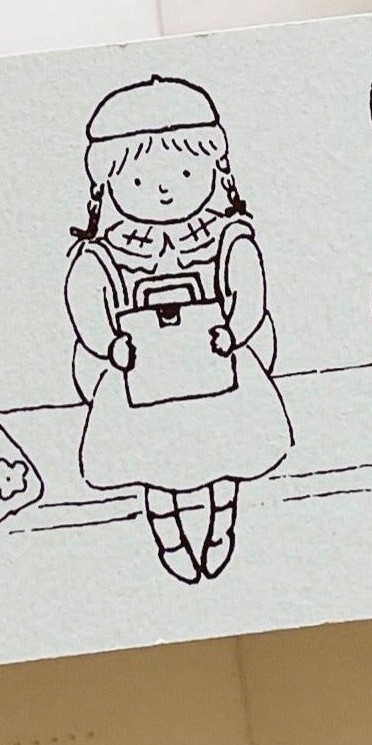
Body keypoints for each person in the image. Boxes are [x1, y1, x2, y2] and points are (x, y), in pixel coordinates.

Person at [65, 76, 293, 584]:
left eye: (186, 172)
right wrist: (109, 343)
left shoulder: (228, 237)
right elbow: (86, 300)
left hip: (217, 371)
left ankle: (222, 524)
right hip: (141, 381)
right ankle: (167, 534)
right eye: (139, 182)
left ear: (215, 169)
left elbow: (249, 289)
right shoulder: (105, 253)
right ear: (107, 185)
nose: (165, 190)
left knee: (226, 452)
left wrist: (235, 331)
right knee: (153, 461)